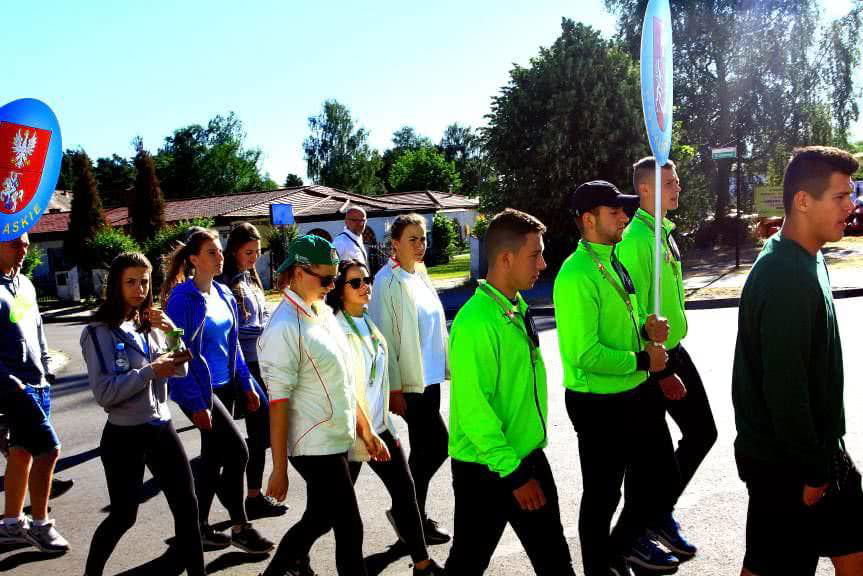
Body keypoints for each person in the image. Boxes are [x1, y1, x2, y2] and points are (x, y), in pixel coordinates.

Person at [733, 146, 863, 576]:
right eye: (840, 197)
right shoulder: (786, 277)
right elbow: (786, 389)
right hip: (788, 465)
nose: (852, 205)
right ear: (803, 202)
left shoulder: (806, 254)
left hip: (820, 451)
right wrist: (811, 471)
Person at [553, 181, 678, 576]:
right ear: (588, 220)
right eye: (615, 212)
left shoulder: (612, 258)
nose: (625, 216)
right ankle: (600, 566)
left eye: (624, 210)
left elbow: (626, 317)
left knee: (661, 474)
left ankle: (623, 547)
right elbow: (584, 354)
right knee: (603, 497)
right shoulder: (576, 275)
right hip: (598, 403)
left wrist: (647, 326)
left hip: (631, 391)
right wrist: (644, 359)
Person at [445, 209, 575, 575]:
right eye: (535, 254)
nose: (544, 263)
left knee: (555, 560)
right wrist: (515, 475)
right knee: (468, 562)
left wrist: (524, 467)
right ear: (505, 258)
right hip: (487, 469)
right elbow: (474, 412)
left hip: (526, 457)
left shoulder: (514, 307)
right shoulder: (475, 322)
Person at [258, 235, 387, 576]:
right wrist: (279, 468)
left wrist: (366, 430)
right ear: (299, 272)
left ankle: (282, 569)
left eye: (334, 278)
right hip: (313, 445)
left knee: (319, 518)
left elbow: (344, 379)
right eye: (326, 278)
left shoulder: (321, 311)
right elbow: (278, 403)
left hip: (337, 436)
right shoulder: (284, 326)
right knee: (350, 526)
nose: (333, 286)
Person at [616, 157, 717, 561]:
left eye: (677, 181)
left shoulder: (660, 233)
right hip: (656, 358)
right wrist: (658, 370)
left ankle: (657, 514)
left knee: (701, 433)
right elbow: (635, 313)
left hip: (676, 349)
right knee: (648, 454)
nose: (678, 188)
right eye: (670, 183)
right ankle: (634, 533)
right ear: (645, 189)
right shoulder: (636, 239)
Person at [80, 252, 203, 576]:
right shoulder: (98, 332)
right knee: (124, 516)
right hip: (124, 435)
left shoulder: (147, 323)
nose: (139, 289)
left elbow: (181, 369)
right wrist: (150, 371)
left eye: (144, 282)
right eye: (131, 282)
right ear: (116, 285)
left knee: (187, 508)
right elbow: (105, 393)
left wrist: (172, 329)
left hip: (161, 427)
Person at [326, 259, 445, 576]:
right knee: (326, 513)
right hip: (350, 434)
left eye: (366, 280)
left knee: (406, 495)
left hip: (380, 428)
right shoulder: (336, 330)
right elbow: (344, 390)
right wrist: (365, 432)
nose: (365, 286)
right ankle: (293, 559)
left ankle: (422, 564)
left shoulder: (366, 321)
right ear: (339, 291)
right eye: (355, 282)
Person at [162, 229, 273, 554]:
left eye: (218, 251)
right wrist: (194, 402)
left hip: (227, 385)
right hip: (199, 389)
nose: (219, 255)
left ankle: (195, 527)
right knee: (238, 451)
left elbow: (234, 345)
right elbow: (175, 352)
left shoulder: (223, 293)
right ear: (194, 259)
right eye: (211, 252)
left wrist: (248, 384)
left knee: (212, 460)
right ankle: (240, 527)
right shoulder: (182, 300)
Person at [369, 213, 451, 545]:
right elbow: (382, 338)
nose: (420, 245)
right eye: (412, 239)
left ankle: (411, 516)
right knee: (438, 446)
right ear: (395, 244)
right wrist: (393, 389)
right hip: (410, 383)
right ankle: (407, 513)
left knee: (424, 451)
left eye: (423, 238)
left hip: (430, 377)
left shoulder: (419, 273)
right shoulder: (386, 281)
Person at [0, 233, 69, 553]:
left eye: (26, 243)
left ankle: (11, 524)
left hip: (39, 382)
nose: (23, 248)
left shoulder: (24, 284)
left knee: (22, 452)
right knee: (49, 450)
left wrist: (46, 367)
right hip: (13, 387)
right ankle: (40, 525)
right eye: (15, 243)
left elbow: (35, 327)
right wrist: (11, 383)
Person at [219, 222, 287, 520]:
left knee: (260, 435)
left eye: (257, 252)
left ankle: (248, 494)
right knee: (258, 432)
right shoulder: (226, 283)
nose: (254, 257)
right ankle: (246, 495)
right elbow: (233, 330)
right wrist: (264, 330)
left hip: (261, 361)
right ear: (234, 250)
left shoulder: (251, 278)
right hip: (242, 365)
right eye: (248, 252)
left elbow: (259, 316)